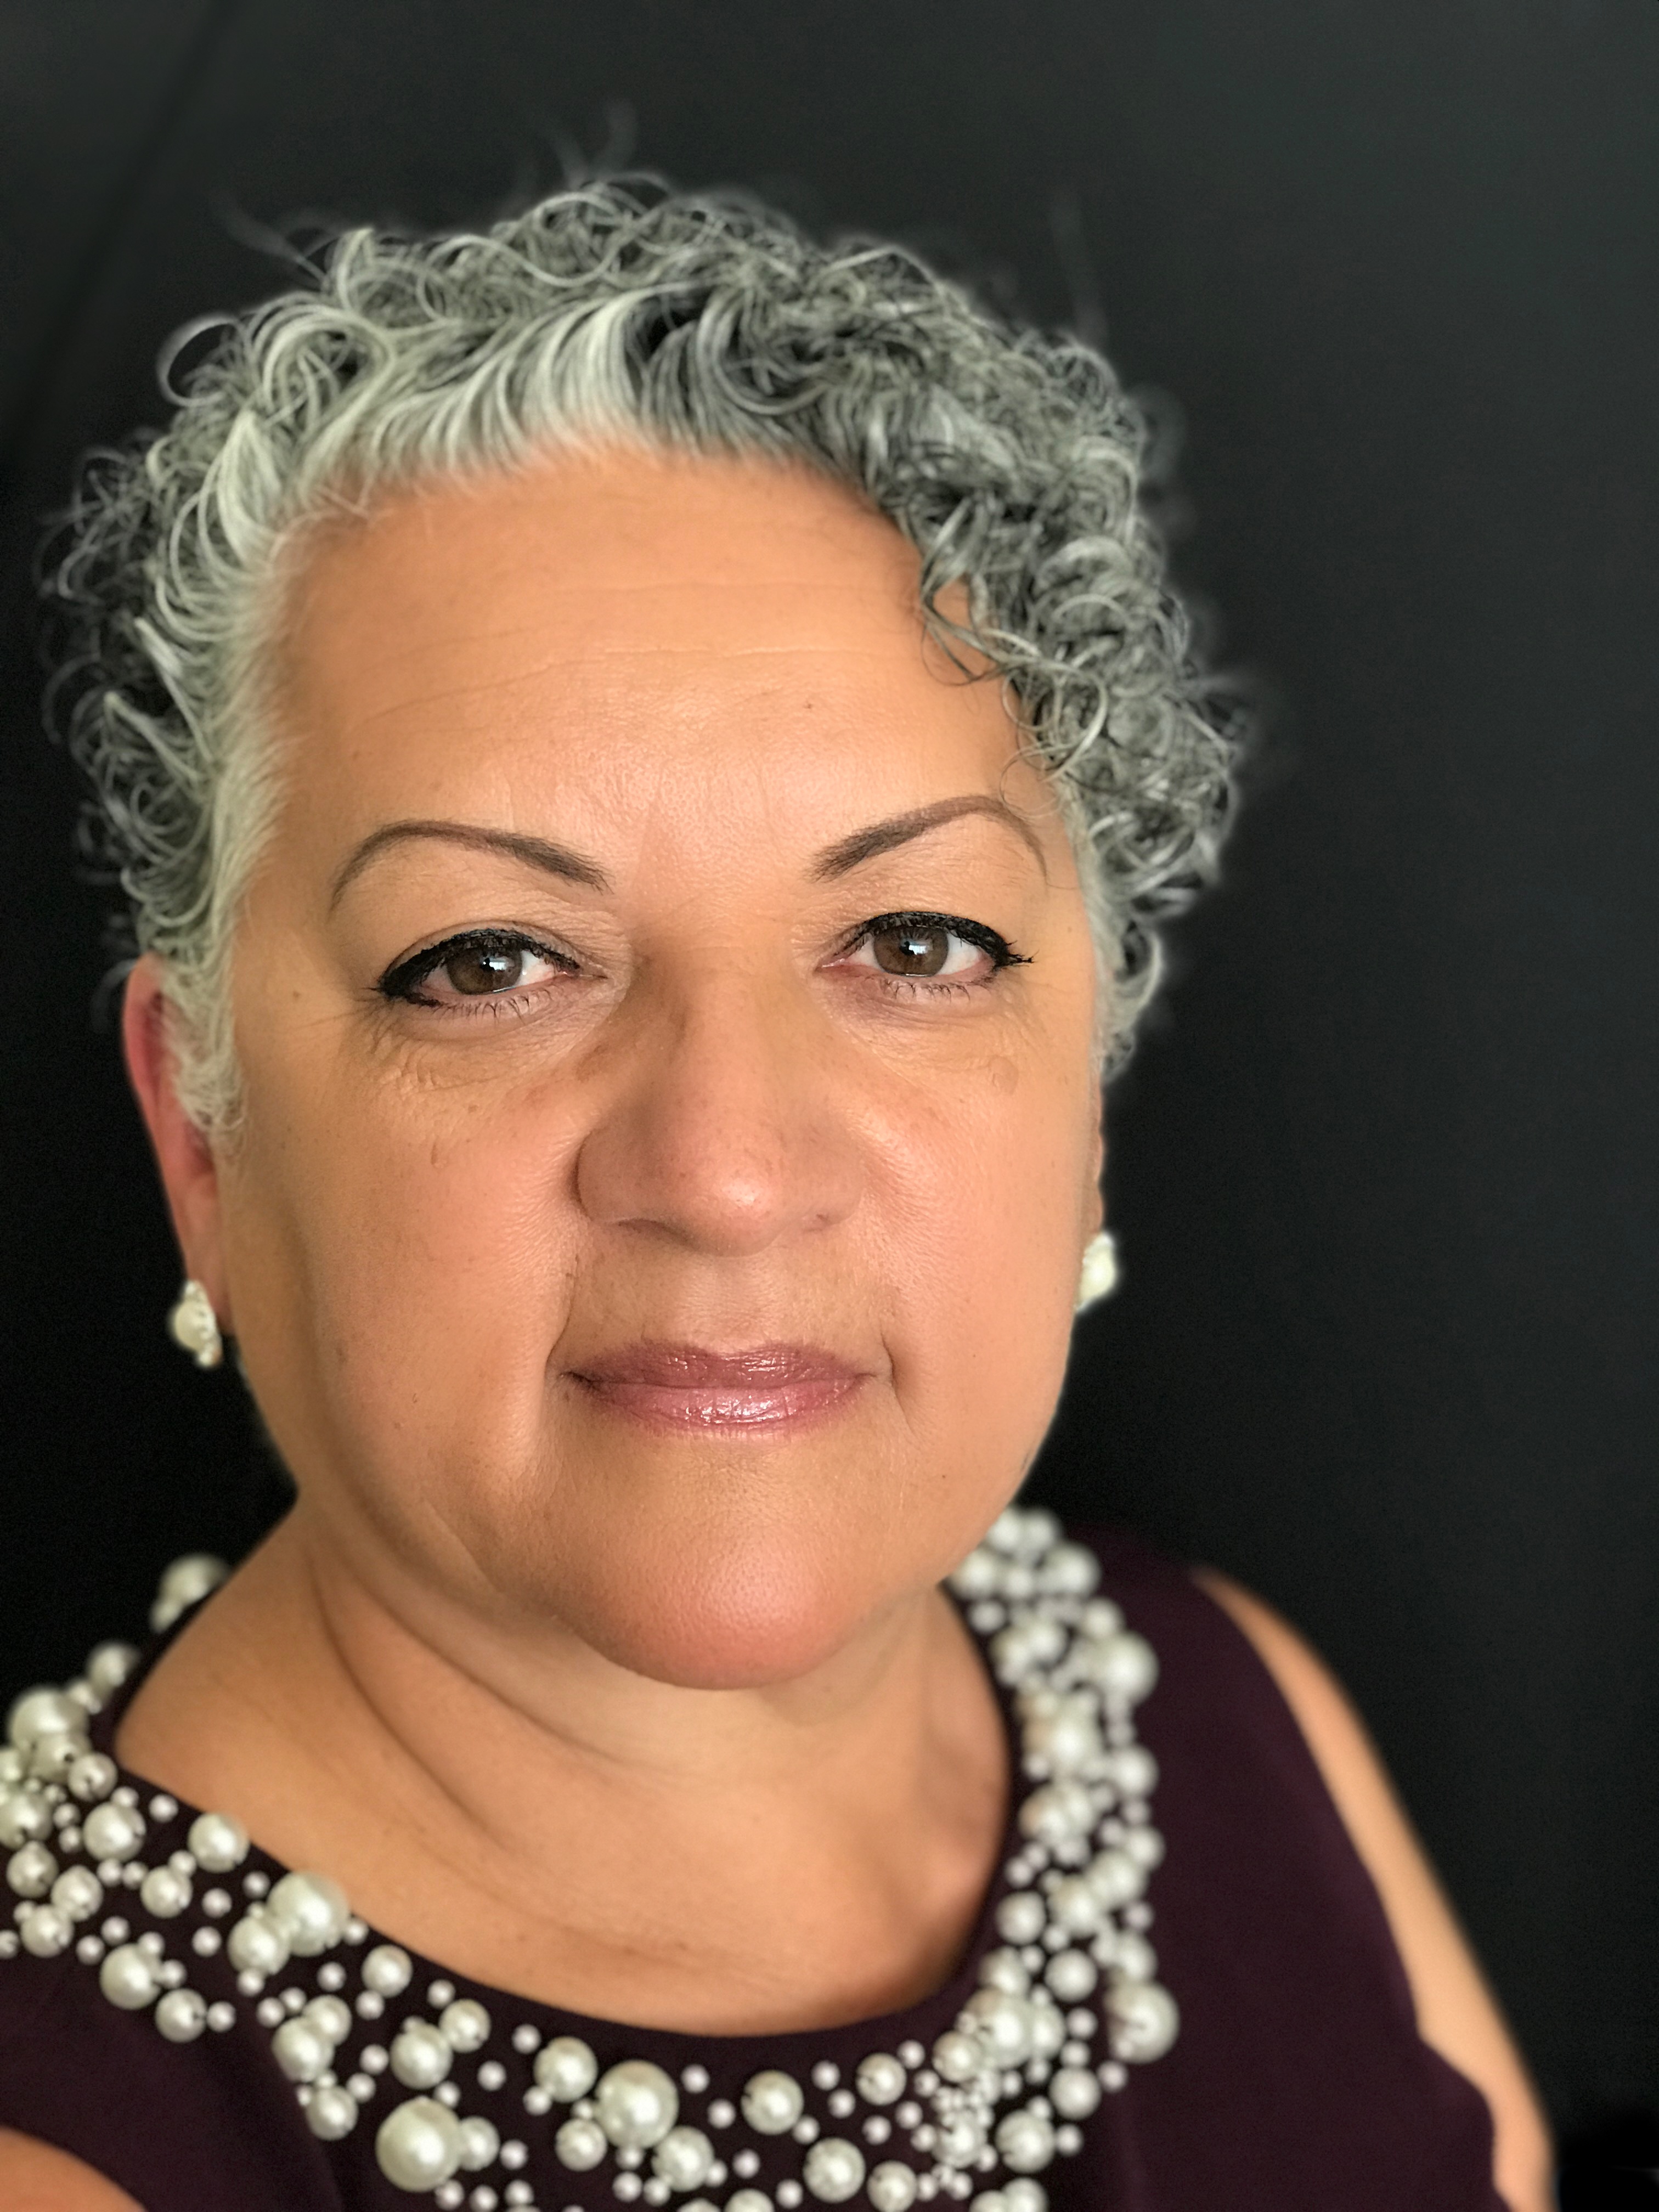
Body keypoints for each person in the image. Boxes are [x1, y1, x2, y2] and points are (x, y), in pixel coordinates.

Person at [0, 181, 1551, 2211]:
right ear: (201, 1131)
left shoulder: (1229, 1715)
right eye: (490, 961)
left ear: (1086, 1094)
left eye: (916, 945)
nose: (729, 1172)